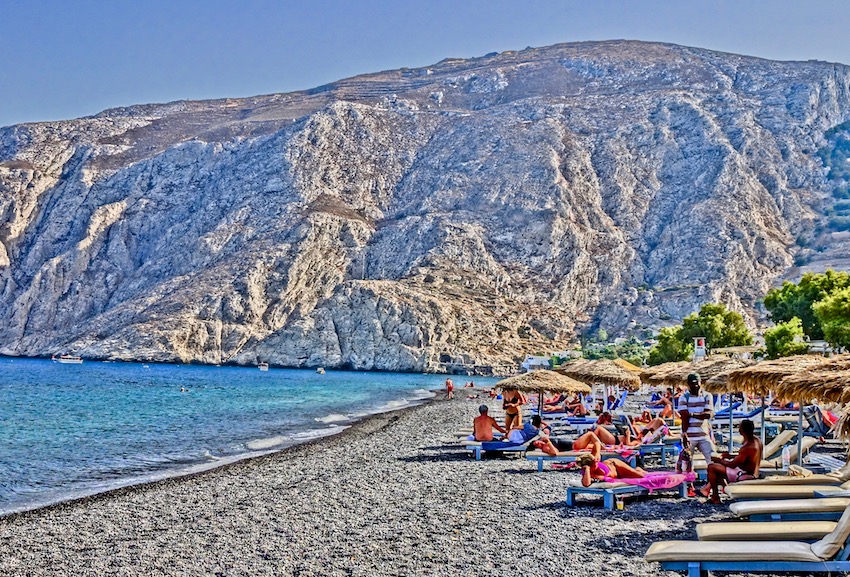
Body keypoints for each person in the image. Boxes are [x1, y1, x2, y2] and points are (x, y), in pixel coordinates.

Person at [700, 419, 762, 504]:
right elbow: (746, 458)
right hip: (749, 472)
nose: (738, 429)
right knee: (717, 466)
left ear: (742, 430)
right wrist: (729, 456)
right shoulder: (757, 440)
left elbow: (732, 465)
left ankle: (715, 497)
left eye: (739, 427)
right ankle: (720, 491)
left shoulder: (748, 446)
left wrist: (719, 460)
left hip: (745, 475)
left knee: (712, 467)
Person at [677, 373, 715, 465]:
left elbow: (708, 415)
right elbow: (684, 417)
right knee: (686, 462)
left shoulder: (707, 395)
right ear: (689, 385)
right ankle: (687, 479)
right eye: (692, 384)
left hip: (704, 434)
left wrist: (691, 414)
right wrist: (684, 434)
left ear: (700, 382)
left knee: (713, 459)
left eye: (697, 383)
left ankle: (713, 478)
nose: (695, 386)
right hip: (689, 435)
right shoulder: (684, 397)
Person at [577, 454, 649, 487]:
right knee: (637, 476)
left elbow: (596, 443)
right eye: (595, 463)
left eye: (596, 462)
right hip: (616, 476)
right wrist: (586, 469)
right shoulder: (587, 472)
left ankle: (638, 469)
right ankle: (637, 470)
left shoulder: (596, 464)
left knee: (641, 476)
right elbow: (586, 484)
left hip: (615, 465)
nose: (597, 463)